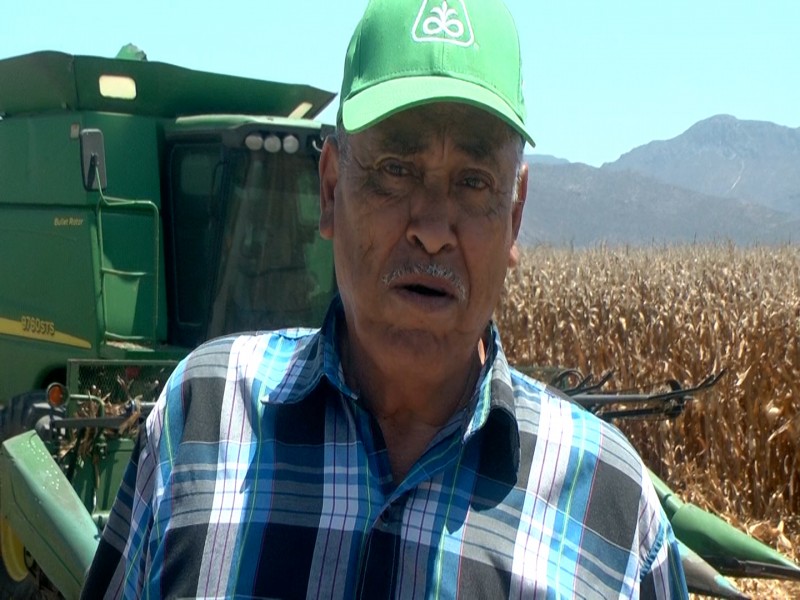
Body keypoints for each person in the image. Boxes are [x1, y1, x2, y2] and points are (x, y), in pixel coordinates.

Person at [82, 0, 688, 597]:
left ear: (515, 215)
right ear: (329, 190)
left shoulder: (612, 512)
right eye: (395, 170)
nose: (430, 227)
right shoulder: (200, 422)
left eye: (473, 182)